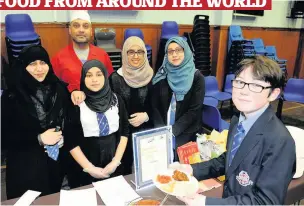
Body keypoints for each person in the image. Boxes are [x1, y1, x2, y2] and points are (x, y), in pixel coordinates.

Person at [173, 56, 296, 205]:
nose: (243, 91)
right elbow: (231, 160)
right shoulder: (238, 119)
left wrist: (205, 202)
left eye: (256, 85)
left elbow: (266, 202)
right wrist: (191, 170)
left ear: (273, 94)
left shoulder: (281, 141)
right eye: (240, 82)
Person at [1, 45, 74, 199]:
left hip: (57, 162)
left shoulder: (59, 88)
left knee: (57, 198)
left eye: (43, 63)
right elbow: (5, 137)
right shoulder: (12, 96)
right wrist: (39, 139)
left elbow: (70, 120)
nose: (39, 69)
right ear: (23, 67)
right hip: (27, 166)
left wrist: (63, 135)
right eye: (32, 64)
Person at [65, 59, 129, 187]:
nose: (94, 79)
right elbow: (71, 141)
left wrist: (116, 161)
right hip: (85, 163)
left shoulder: (117, 100)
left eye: (99, 74)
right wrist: (89, 168)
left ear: (105, 76)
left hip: (113, 159)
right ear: (83, 78)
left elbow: (124, 132)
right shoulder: (77, 104)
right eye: (89, 75)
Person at [151, 36, 205, 160]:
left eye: (178, 50)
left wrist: (173, 131)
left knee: (182, 172)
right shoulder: (162, 75)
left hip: (187, 132)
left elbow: (194, 110)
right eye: (170, 51)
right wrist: (161, 130)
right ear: (166, 55)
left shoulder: (197, 77)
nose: (174, 54)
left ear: (186, 51)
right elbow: (154, 106)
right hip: (163, 130)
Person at [109, 36, 154, 175]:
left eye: (140, 52)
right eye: (131, 52)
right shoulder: (114, 78)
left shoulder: (153, 77)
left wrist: (147, 116)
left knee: (147, 170)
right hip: (122, 134)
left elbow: (159, 105)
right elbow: (110, 109)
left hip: (147, 131)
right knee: (124, 170)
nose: (136, 56)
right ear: (124, 54)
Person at [51, 10, 114, 105]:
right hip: (70, 109)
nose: (81, 30)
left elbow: (110, 83)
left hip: (99, 107)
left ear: (91, 31)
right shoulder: (58, 58)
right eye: (76, 26)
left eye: (85, 26)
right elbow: (53, 87)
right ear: (70, 30)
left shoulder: (102, 55)